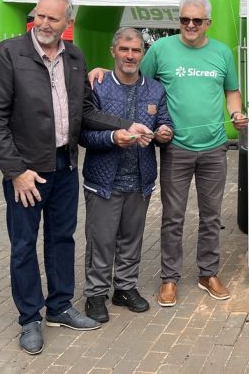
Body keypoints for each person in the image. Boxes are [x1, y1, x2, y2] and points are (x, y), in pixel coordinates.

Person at [0, 0, 152, 355]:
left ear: (67, 23)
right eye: (39, 15)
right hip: (27, 172)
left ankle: (59, 307)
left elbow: (86, 111)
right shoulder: (8, 55)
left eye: (52, 19)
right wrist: (16, 172)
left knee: (62, 239)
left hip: (65, 165)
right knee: (24, 246)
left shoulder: (74, 58)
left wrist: (127, 124)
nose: (42, 23)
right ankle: (29, 318)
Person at [90, 0, 248, 306]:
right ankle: (169, 278)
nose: (190, 25)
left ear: (208, 24)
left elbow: (232, 91)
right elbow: (136, 78)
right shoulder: (162, 49)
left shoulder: (221, 53)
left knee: (211, 215)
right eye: (184, 19)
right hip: (175, 148)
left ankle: (208, 273)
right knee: (173, 217)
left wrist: (236, 113)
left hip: (215, 147)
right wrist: (101, 72)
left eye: (197, 20)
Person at [80, 27, 173, 323]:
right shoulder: (98, 85)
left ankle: (125, 288)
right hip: (103, 179)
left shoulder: (155, 89)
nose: (130, 56)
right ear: (113, 51)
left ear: (142, 54)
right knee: (101, 240)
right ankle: (95, 294)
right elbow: (82, 134)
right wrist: (112, 139)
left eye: (136, 51)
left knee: (132, 239)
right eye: (124, 49)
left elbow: (165, 122)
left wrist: (164, 133)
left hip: (141, 180)